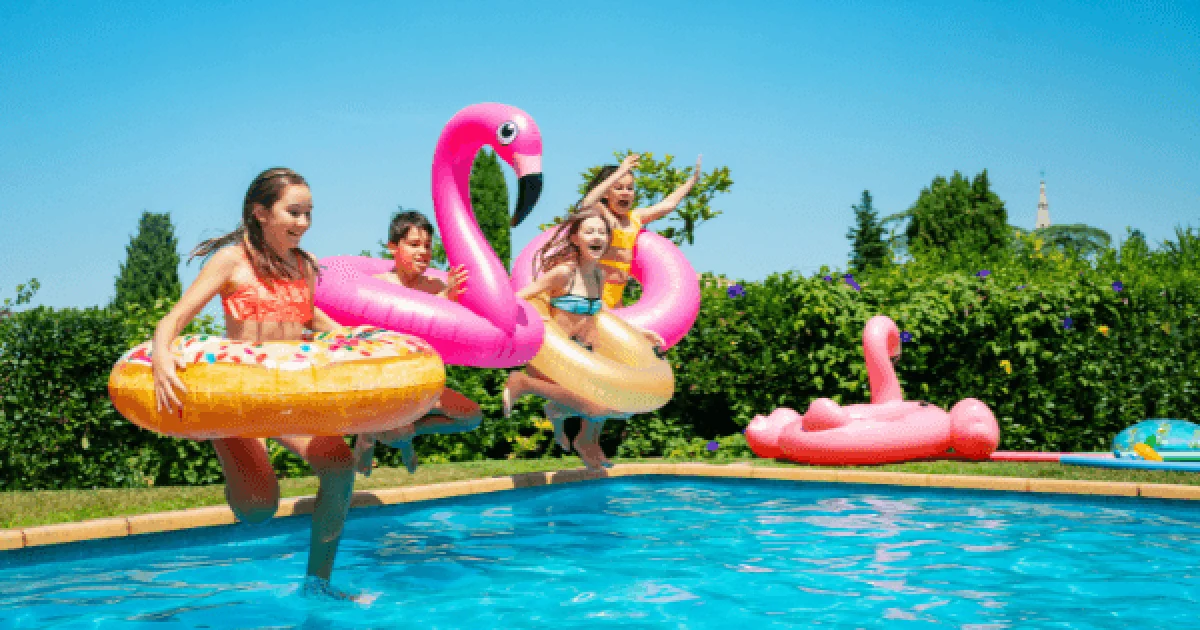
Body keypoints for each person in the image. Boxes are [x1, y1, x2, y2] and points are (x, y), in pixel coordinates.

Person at [152, 168, 360, 600]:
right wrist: (161, 354)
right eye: (294, 212)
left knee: (340, 466)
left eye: (308, 213)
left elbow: (306, 317)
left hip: (289, 395)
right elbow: (173, 319)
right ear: (261, 212)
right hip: (241, 400)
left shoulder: (304, 266)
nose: (303, 223)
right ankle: (225, 440)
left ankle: (318, 584)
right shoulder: (232, 260)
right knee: (258, 509)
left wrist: (353, 338)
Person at [502, 207, 662, 469]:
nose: (597, 236)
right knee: (598, 408)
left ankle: (563, 417)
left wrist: (639, 334)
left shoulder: (598, 275)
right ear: (575, 238)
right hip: (554, 359)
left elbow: (602, 313)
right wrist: (535, 321)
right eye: (589, 231)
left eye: (601, 232)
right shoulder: (564, 272)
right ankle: (522, 382)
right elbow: (519, 297)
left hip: (583, 355)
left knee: (624, 407)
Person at [352, 211, 483, 476]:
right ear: (393, 247)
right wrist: (446, 297)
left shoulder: (437, 286)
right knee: (397, 435)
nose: (423, 252)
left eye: (427, 246)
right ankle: (368, 436)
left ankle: (402, 431)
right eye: (413, 245)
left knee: (471, 417)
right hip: (387, 382)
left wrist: (452, 296)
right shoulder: (376, 287)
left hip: (423, 379)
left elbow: (448, 327)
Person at [577, 153, 703, 308]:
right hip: (595, 292)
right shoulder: (601, 213)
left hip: (617, 295)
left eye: (630, 188)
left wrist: (692, 180)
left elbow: (668, 205)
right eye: (618, 188)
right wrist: (621, 171)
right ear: (606, 193)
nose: (625, 192)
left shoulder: (635, 218)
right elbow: (587, 202)